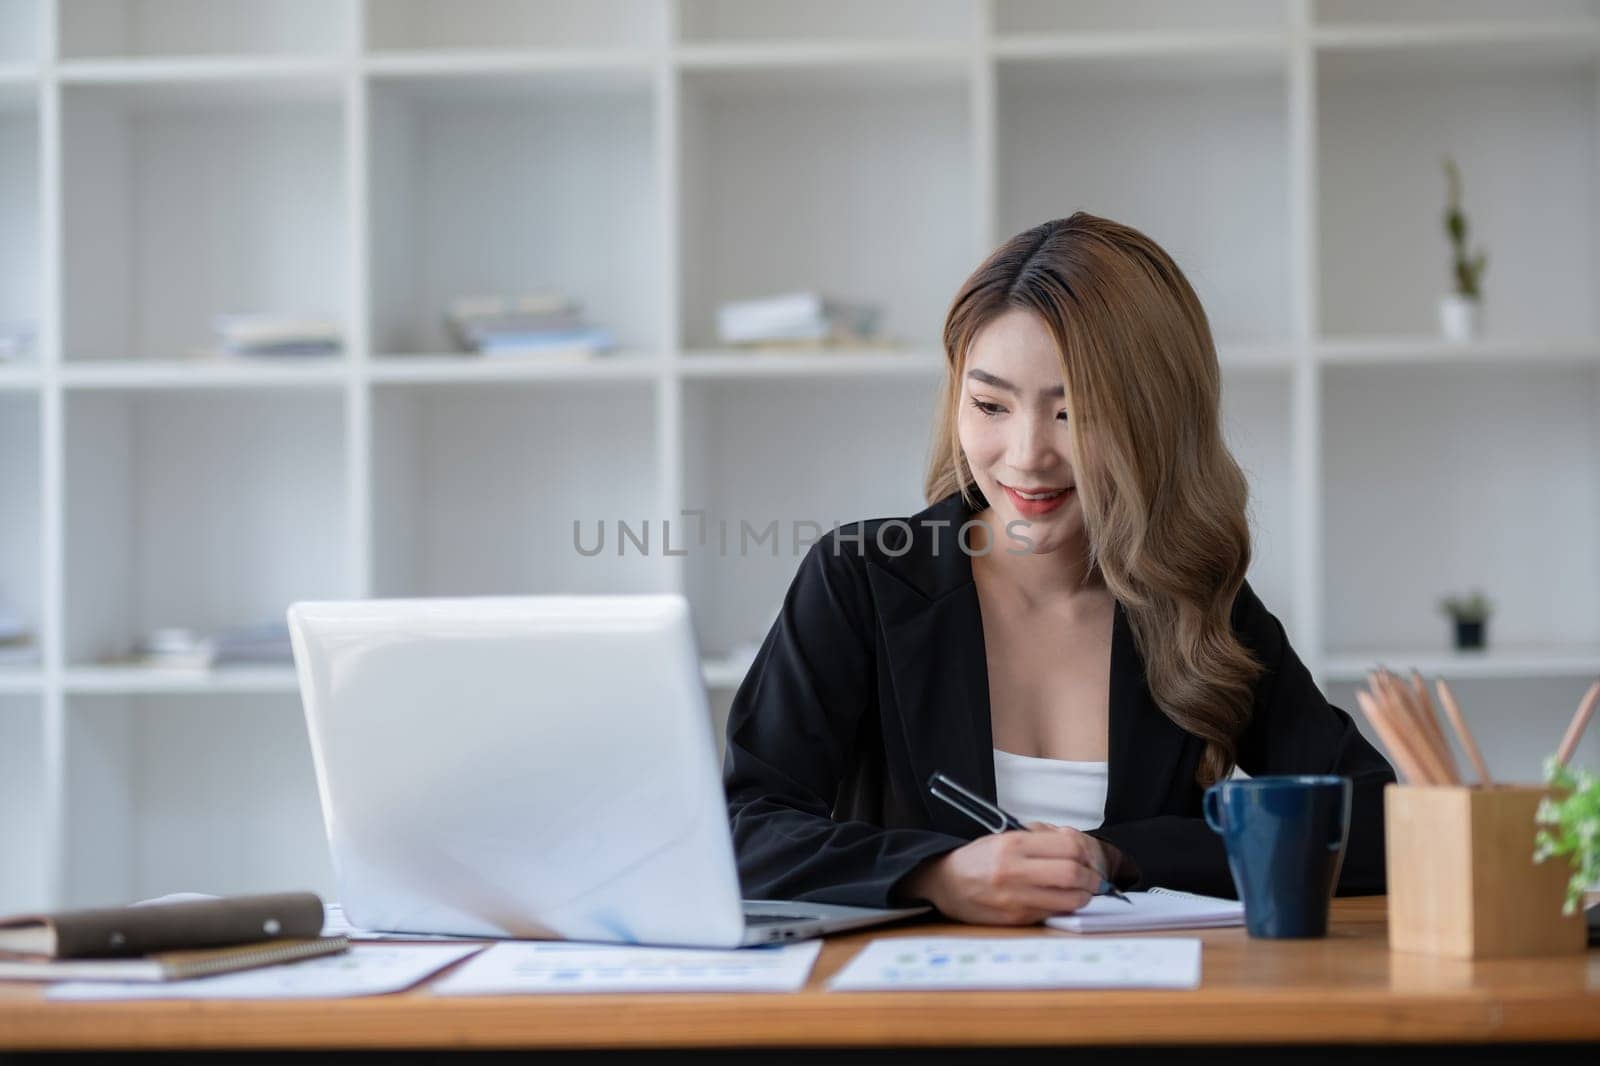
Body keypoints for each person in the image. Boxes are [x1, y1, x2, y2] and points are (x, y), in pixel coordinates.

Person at [721, 213, 1395, 926]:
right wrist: (934, 874)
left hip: (1139, 1015)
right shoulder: (861, 579)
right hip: (919, 1013)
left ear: (1155, 419)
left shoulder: (1196, 604)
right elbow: (741, 831)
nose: (1026, 454)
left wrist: (1117, 856)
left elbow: (1378, 826)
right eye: (989, 405)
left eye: (1073, 413)